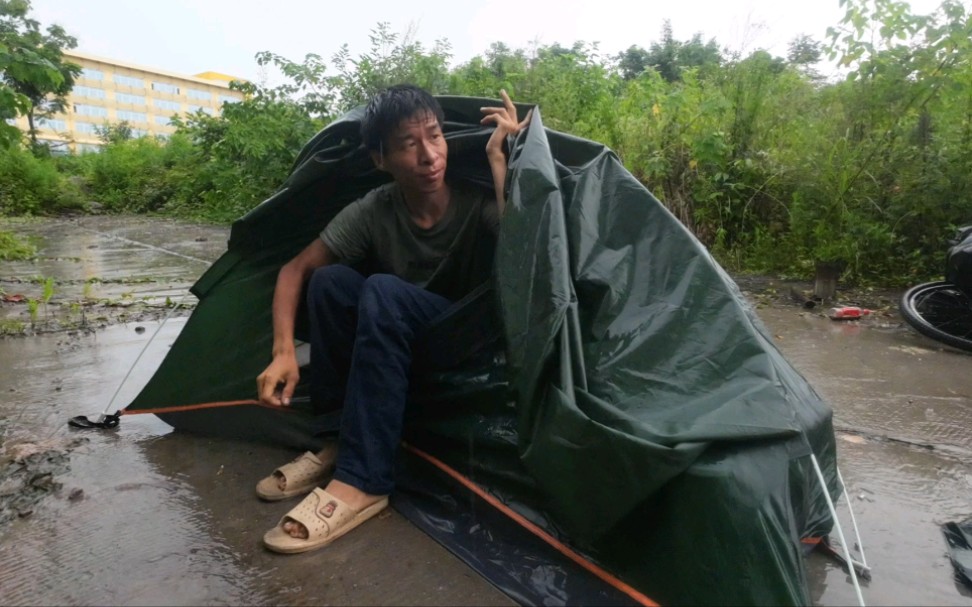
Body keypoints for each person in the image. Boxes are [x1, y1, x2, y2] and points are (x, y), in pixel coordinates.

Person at [255, 85, 531, 554]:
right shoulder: (375, 209)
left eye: (435, 136)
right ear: (380, 159)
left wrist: (499, 164)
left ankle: (364, 481)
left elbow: (520, 254)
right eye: (409, 144)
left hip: (459, 337)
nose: (429, 156)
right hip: (392, 337)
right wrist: (283, 351)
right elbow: (295, 270)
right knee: (331, 281)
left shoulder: (473, 199)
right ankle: (339, 440)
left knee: (382, 290)